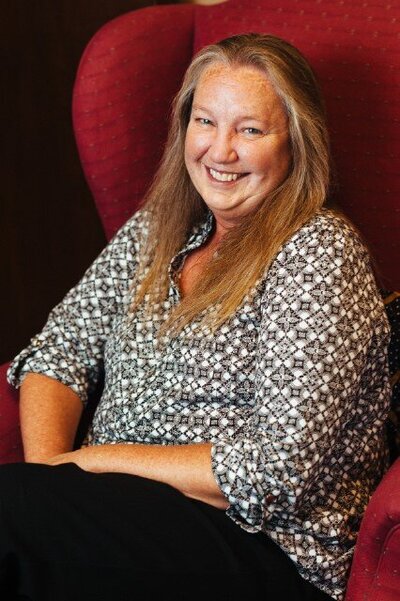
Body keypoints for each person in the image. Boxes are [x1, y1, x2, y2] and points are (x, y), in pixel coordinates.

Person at [2, 33, 390, 601]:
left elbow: (273, 473)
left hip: (260, 552)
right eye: (205, 122)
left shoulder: (317, 251)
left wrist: (86, 467)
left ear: (296, 144)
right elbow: (59, 350)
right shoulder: (162, 229)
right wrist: (50, 481)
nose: (220, 151)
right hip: (118, 517)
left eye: (250, 130)